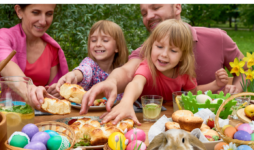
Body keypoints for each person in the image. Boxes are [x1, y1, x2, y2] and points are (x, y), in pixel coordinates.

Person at [80, 4, 245, 123]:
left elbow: (193, 91)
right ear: (152, 46)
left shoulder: (186, 69)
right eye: (144, 13)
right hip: (150, 121)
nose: (164, 54)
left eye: (156, 7)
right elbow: (133, 80)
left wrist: (219, 85)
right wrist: (123, 98)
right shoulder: (147, 61)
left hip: (201, 121)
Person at [0, 4, 68, 109]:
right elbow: (6, 65)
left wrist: (55, 93)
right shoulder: (2, 37)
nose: (43, 21)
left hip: (39, 118)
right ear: (19, 11)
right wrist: (30, 91)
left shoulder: (53, 49)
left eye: (49, 14)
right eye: (36, 12)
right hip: (3, 115)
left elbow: (52, 99)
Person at [48, 20, 128, 101]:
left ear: (117, 47)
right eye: (93, 40)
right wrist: (73, 75)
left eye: (105, 40)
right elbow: (84, 70)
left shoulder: (122, 70)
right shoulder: (90, 63)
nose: (98, 44)